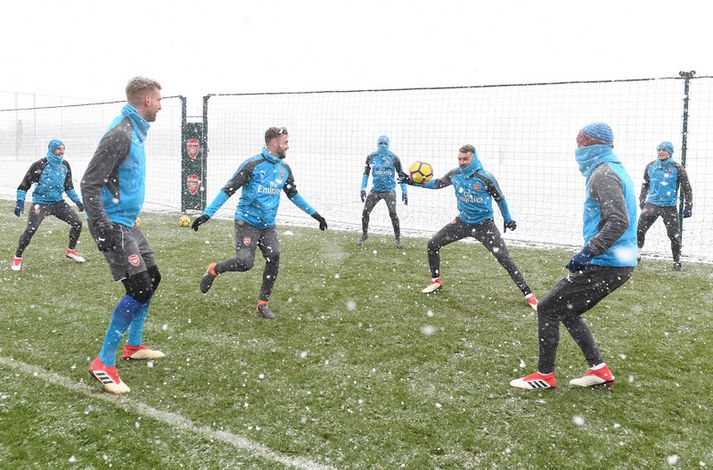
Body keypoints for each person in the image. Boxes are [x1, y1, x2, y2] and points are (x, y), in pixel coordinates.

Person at [511, 122, 637, 390]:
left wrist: (587, 252)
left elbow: (618, 221)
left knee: (547, 307)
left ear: (591, 145)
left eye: (580, 143)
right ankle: (599, 370)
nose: (577, 148)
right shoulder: (613, 169)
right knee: (567, 311)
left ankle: (545, 376)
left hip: (606, 263)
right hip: (617, 262)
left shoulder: (603, 173)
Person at [81, 77, 165, 394]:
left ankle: (134, 346)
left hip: (127, 222)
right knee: (139, 287)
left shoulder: (136, 132)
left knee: (152, 278)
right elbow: (89, 183)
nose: (160, 104)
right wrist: (102, 225)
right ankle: (104, 362)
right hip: (112, 224)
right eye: (158, 99)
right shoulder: (120, 134)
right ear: (145, 100)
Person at [191, 127, 328, 319]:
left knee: (275, 255)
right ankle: (214, 270)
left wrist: (316, 215)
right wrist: (206, 215)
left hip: (268, 226)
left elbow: (294, 195)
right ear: (273, 142)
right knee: (245, 263)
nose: (288, 146)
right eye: (285, 142)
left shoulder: (284, 169)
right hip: (246, 222)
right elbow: (227, 190)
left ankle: (262, 304)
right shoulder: (252, 165)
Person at [399, 144, 538, 310]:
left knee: (504, 258)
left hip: (484, 225)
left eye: (465, 159)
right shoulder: (455, 174)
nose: (462, 162)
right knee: (433, 244)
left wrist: (508, 219)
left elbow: (500, 199)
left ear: (474, 158)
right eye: (460, 159)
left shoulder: (485, 178)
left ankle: (529, 295)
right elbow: (437, 184)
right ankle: (436, 281)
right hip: (462, 223)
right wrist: (412, 183)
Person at [11, 139, 85, 271]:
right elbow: (23, 186)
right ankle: (17, 257)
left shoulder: (65, 165)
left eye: (63, 148)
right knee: (30, 230)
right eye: (59, 148)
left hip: (58, 203)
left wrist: (77, 201)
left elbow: (69, 187)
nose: (62, 151)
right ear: (51, 149)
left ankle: (71, 251)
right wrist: (19, 202)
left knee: (77, 223)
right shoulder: (39, 165)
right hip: (41, 203)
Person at [636, 141, 693, 271]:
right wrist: (642, 199)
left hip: (669, 207)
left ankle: (677, 261)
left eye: (664, 150)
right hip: (652, 205)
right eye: (659, 150)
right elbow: (645, 184)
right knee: (639, 230)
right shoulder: (650, 166)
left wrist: (689, 205)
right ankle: (637, 254)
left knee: (674, 236)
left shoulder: (677, 168)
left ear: (670, 152)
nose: (661, 152)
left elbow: (687, 188)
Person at [358, 135, 408, 248]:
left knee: (393, 214)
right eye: (381, 143)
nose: (383, 145)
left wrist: (404, 191)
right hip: (375, 190)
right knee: (365, 212)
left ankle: (398, 239)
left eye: (385, 143)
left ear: (388, 144)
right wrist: (363, 188)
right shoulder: (371, 157)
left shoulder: (394, 158)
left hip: (389, 190)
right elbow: (366, 174)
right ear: (377, 144)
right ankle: (364, 234)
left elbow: (401, 175)